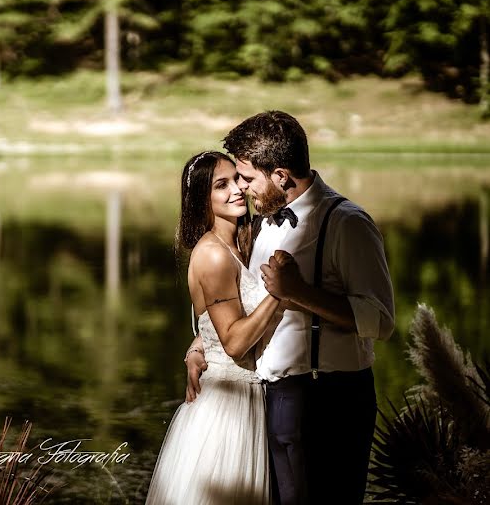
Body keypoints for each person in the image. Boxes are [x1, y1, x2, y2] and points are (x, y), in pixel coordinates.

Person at [184, 111, 395, 504]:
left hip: (331, 399)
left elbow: (381, 322)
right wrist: (202, 341)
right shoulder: (264, 224)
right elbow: (241, 302)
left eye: (247, 178)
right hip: (275, 398)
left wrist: (298, 291)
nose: (243, 190)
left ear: (280, 175)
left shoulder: (347, 223)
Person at [145, 150, 286, 505]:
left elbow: (212, 326)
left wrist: (195, 348)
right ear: (201, 201)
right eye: (221, 186)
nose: (237, 190)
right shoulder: (212, 254)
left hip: (250, 398)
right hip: (228, 406)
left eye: (237, 179)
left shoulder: (238, 242)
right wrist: (280, 294)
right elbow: (235, 342)